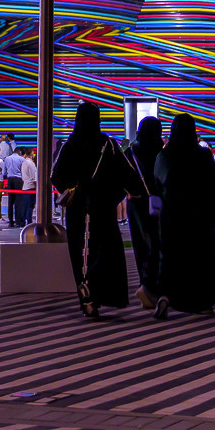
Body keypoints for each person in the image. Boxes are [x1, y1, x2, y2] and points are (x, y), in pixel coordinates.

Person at [49, 100, 145, 318]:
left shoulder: (70, 145)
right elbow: (127, 174)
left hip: (77, 210)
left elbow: (56, 175)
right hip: (104, 207)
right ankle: (97, 291)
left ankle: (86, 296)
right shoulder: (108, 144)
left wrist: (70, 190)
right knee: (105, 250)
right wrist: (133, 191)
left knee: (80, 252)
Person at [153, 113, 215, 317]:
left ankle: (165, 295)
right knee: (201, 260)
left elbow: (157, 183)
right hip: (199, 217)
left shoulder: (164, 156)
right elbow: (212, 186)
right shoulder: (203, 155)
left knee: (171, 257)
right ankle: (202, 302)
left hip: (172, 216)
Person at [127, 116, 166, 308]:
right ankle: (153, 287)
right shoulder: (162, 152)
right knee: (157, 244)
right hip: (158, 203)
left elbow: (122, 176)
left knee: (140, 245)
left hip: (136, 203)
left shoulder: (130, 152)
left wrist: (130, 192)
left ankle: (145, 283)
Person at [1, 141, 25, 227]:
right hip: (19, 180)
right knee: (19, 201)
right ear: (20, 152)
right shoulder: (22, 159)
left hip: (10, 180)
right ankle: (18, 221)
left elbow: (4, 172)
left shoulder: (7, 159)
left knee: (10, 200)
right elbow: (23, 171)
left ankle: (10, 220)